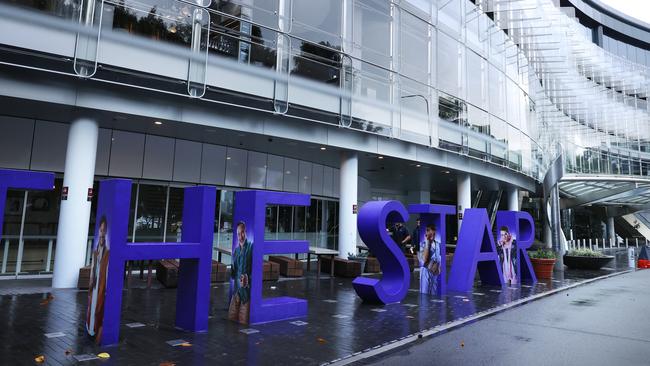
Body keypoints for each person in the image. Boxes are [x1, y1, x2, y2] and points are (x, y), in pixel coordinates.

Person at [86, 216, 109, 343]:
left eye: (104, 230)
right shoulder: (96, 252)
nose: (102, 233)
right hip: (94, 286)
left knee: (99, 308)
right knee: (93, 307)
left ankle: (95, 332)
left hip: (101, 288)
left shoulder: (107, 253)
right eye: (100, 230)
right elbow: (94, 267)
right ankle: (91, 330)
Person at [228, 221, 253, 324]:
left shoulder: (252, 247)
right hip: (236, 293)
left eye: (242, 232)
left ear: (246, 232)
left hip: (246, 296)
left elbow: (257, 270)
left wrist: (248, 279)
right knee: (230, 321)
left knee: (243, 325)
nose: (240, 236)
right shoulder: (236, 251)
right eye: (238, 234)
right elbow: (233, 274)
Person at [418, 224, 441, 295]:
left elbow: (439, 258)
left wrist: (439, 268)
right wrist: (428, 242)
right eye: (431, 234)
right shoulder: (423, 244)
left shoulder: (437, 244)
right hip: (426, 270)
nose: (432, 236)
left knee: (434, 293)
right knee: (424, 293)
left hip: (435, 271)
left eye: (434, 234)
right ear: (426, 233)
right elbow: (424, 259)